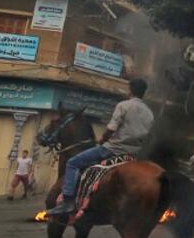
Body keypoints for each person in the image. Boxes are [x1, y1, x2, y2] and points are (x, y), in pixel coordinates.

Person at [47, 78, 154, 216]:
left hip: (112, 150)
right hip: (132, 155)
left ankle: (68, 201)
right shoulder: (149, 113)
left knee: (72, 163)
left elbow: (111, 128)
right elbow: (147, 136)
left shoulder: (124, 105)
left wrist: (103, 140)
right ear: (144, 93)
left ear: (130, 90)